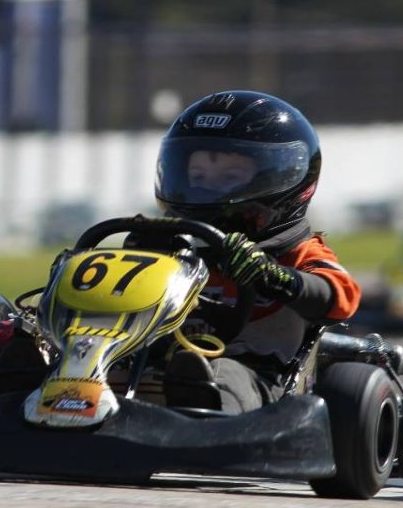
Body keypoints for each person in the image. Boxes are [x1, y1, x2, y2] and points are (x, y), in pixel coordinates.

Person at [152, 90, 361, 414]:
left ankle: (197, 412)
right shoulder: (176, 248)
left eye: (230, 178)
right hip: (161, 358)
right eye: (197, 178)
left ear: (281, 178)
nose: (206, 190)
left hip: (258, 375)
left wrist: (273, 277)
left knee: (219, 375)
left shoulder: (296, 251)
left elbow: (343, 297)